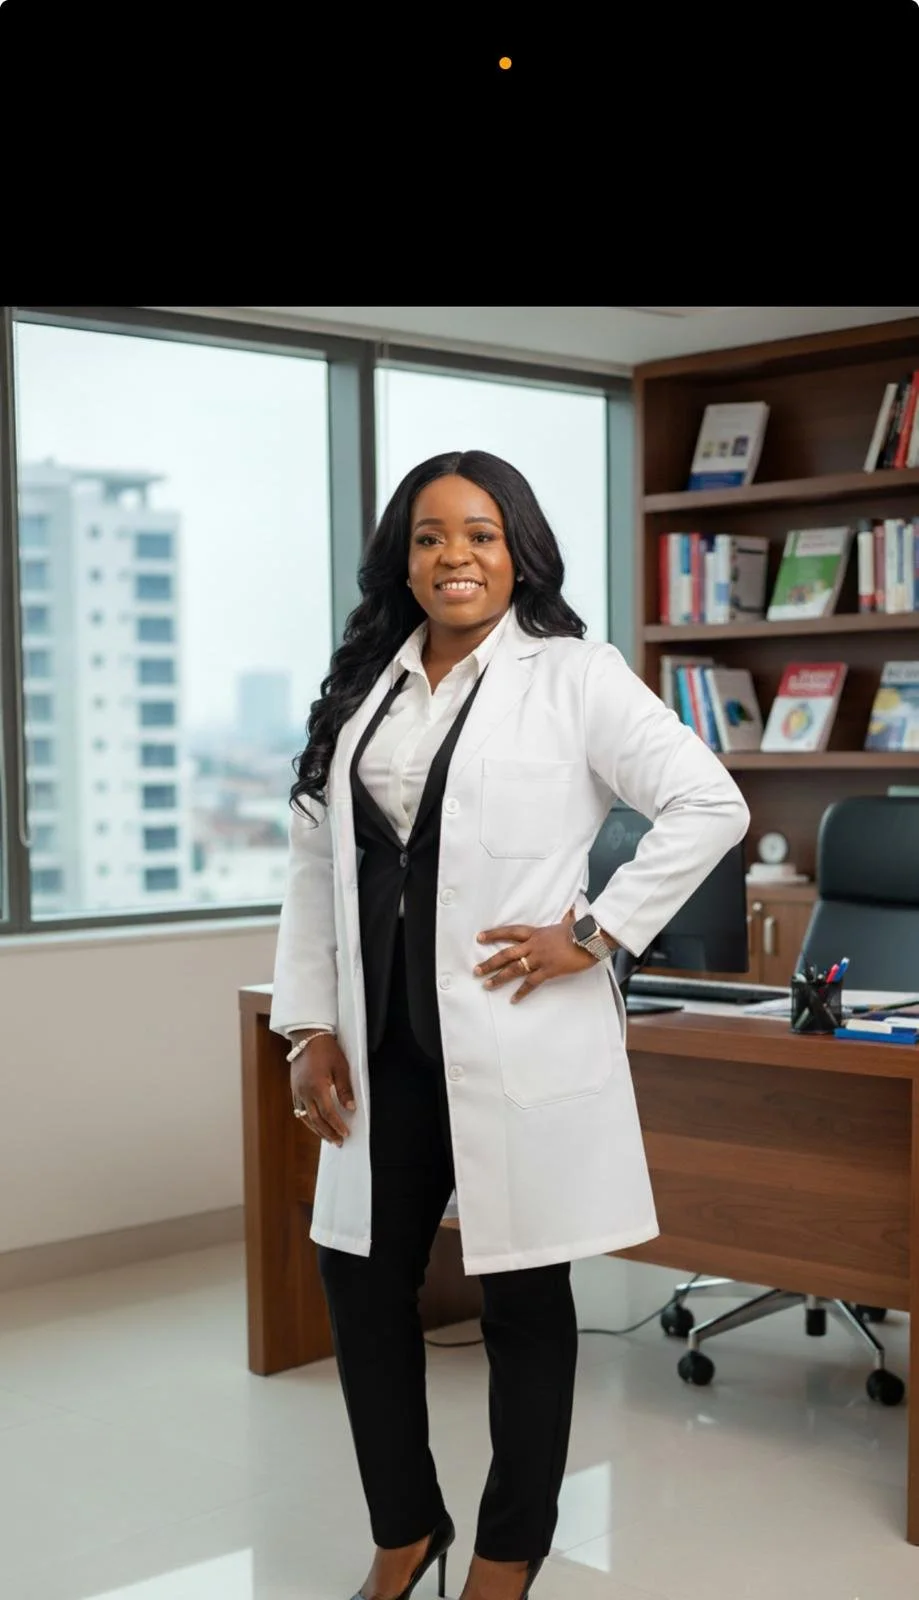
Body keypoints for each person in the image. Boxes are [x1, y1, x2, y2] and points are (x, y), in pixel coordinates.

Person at [270, 450, 749, 1600]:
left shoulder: (573, 676)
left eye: (480, 534)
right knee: (357, 1280)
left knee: (526, 1297)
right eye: (430, 537)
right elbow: (308, 865)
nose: (454, 558)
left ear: (518, 548)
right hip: (379, 1045)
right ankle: (405, 1529)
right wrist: (307, 1028)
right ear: (403, 558)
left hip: (511, 1034)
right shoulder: (364, 689)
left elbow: (709, 801)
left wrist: (594, 930)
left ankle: (506, 1551)